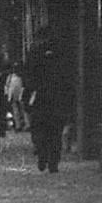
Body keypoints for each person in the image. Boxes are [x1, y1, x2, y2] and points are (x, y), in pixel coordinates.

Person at [26, 45, 68, 173]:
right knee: (55, 135)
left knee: (41, 133)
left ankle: (42, 156)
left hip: (41, 104)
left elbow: (30, 84)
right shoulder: (61, 66)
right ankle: (53, 163)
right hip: (56, 105)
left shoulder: (37, 65)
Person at [5, 63, 28, 132]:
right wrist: (7, 93)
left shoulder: (21, 77)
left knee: (23, 109)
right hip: (13, 95)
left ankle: (26, 124)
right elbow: (7, 85)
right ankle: (18, 125)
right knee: (16, 111)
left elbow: (23, 86)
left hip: (20, 94)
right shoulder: (10, 76)